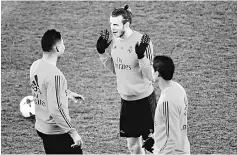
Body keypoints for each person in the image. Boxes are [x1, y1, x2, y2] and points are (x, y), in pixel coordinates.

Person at [96, 4, 157, 154]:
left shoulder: (143, 42)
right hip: (127, 103)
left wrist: (142, 57)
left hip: (144, 102)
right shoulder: (115, 41)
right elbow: (117, 69)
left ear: (126, 24)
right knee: (133, 147)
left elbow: (151, 76)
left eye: (116, 24)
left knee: (154, 146)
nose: (112, 28)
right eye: (111, 24)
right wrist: (102, 53)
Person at [30, 29, 84, 154]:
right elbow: (56, 109)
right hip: (56, 131)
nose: (64, 46)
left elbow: (42, 88)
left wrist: (67, 93)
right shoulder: (55, 75)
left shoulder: (35, 65)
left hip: (42, 128)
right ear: (57, 48)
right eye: (63, 43)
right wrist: (73, 132)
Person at [152, 55, 190, 154]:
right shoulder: (178, 88)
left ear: (157, 74)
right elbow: (175, 123)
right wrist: (154, 138)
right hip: (183, 149)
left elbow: (171, 139)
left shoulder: (166, 101)